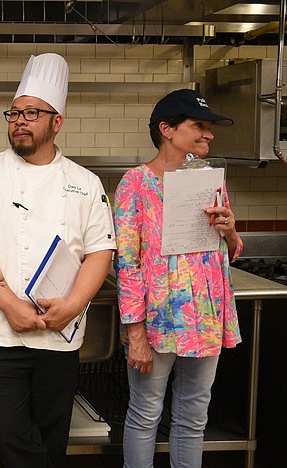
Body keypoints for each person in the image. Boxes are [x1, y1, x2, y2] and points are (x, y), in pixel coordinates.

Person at [0, 53, 116, 467]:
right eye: (14, 112)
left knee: (51, 438)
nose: (19, 120)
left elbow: (100, 251)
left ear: (56, 122)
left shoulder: (84, 182)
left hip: (59, 339)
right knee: (11, 438)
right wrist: (12, 306)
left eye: (32, 113)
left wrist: (73, 306)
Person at [114, 88, 242, 467]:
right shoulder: (134, 184)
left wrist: (231, 231)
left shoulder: (209, 180)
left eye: (209, 127)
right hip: (158, 321)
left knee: (193, 418)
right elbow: (127, 264)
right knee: (145, 414)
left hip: (206, 316)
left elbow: (228, 254)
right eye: (198, 126)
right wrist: (134, 332)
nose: (209, 134)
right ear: (167, 129)